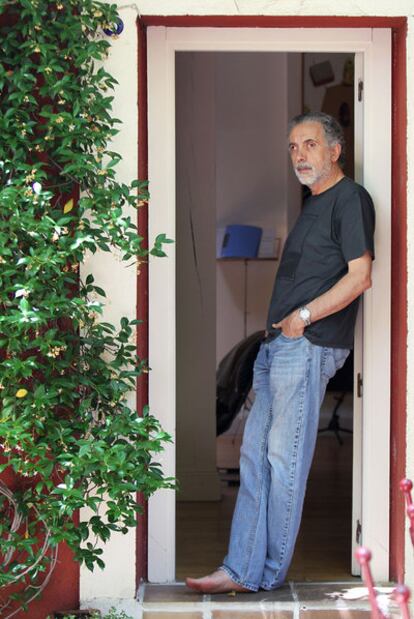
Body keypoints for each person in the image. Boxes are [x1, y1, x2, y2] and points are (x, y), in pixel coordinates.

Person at [186, 111, 375, 593]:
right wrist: (280, 330)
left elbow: (360, 276)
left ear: (335, 151)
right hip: (280, 344)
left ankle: (263, 574)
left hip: (307, 345)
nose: (299, 155)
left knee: (283, 460)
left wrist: (303, 319)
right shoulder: (312, 204)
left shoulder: (349, 199)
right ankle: (240, 569)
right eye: (293, 147)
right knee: (254, 456)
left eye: (310, 145)